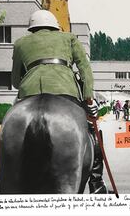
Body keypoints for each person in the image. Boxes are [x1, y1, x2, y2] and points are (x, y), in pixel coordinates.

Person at [11, 10, 108, 194]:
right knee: (91, 128)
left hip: (29, 92)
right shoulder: (69, 38)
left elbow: (16, 81)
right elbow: (84, 68)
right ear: (55, 26)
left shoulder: (20, 43)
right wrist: (89, 99)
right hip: (66, 90)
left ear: (32, 27)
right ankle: (96, 182)